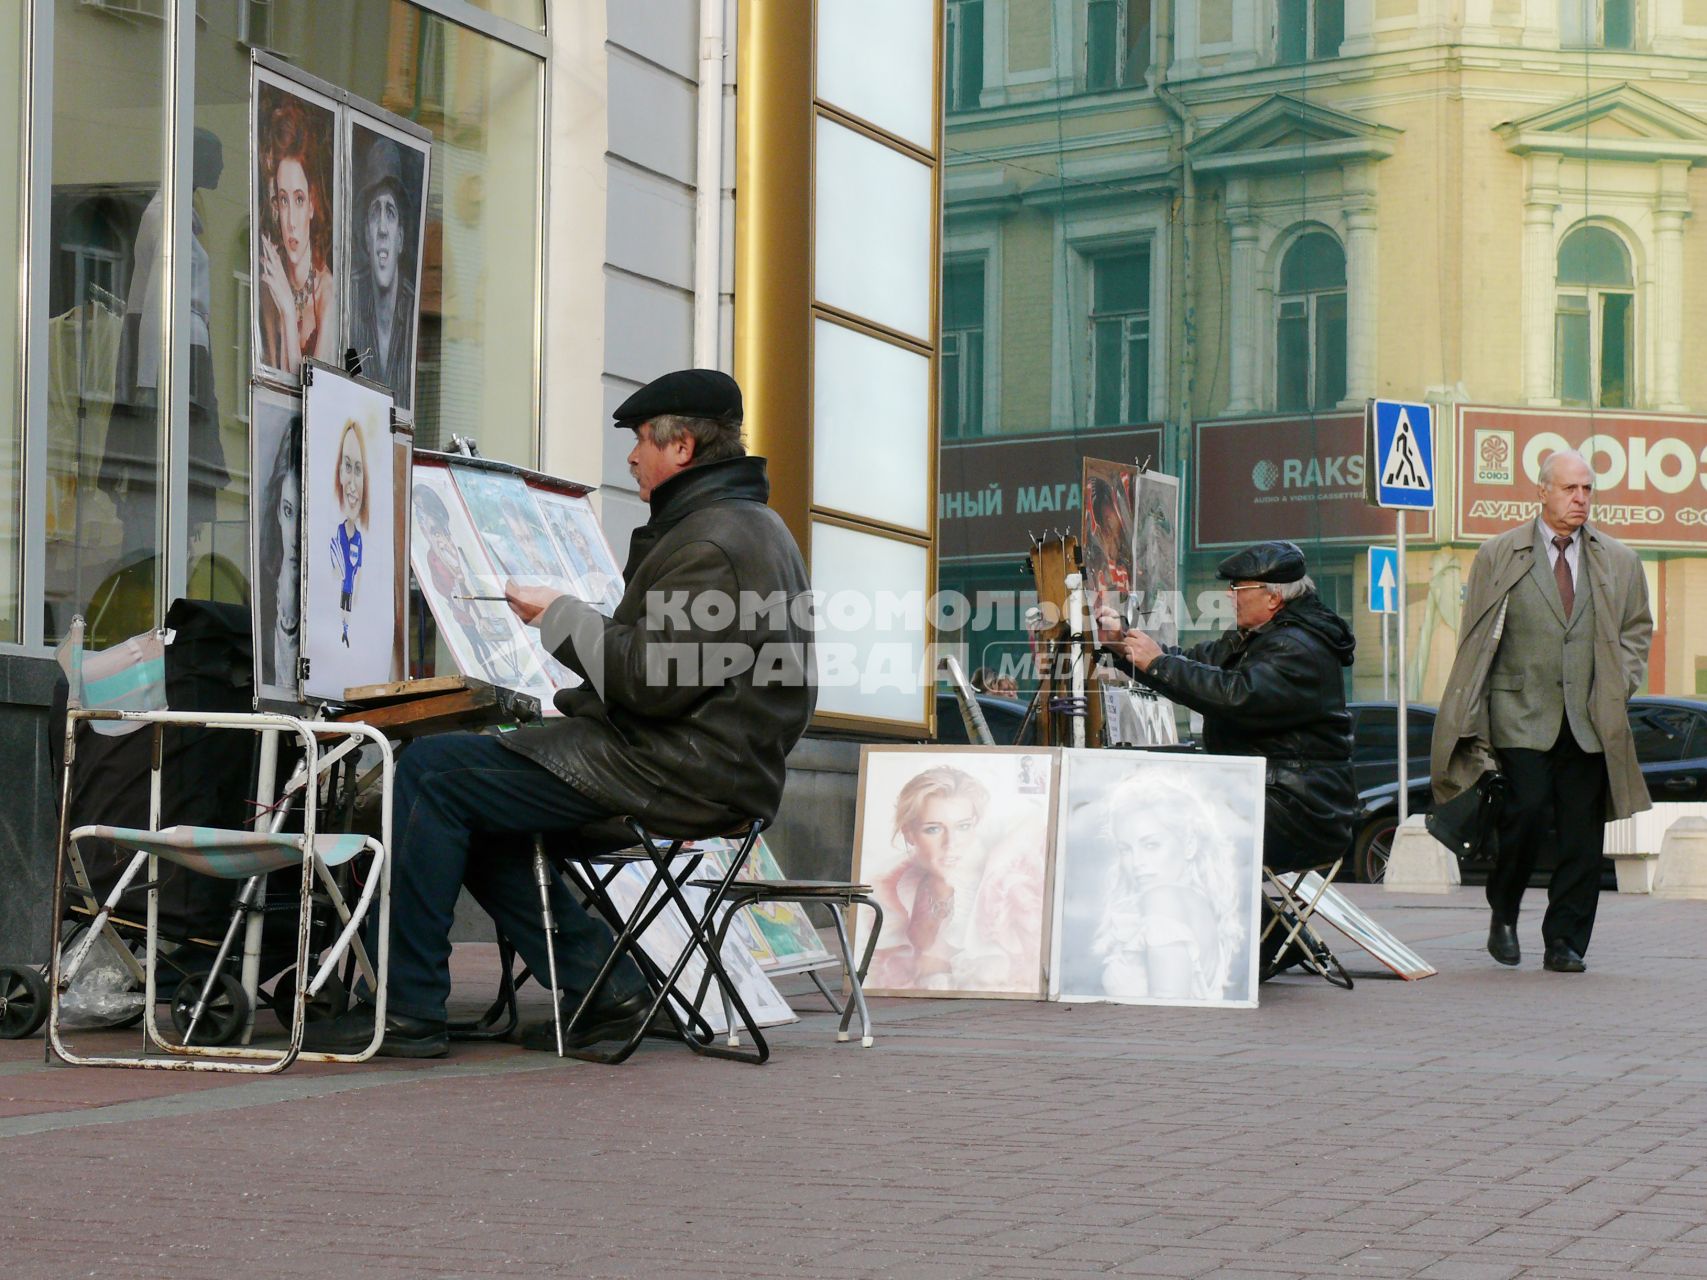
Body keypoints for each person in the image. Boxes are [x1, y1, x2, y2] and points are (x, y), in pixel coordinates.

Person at [305, 368, 815, 1057]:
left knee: (429, 772)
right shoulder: (751, 529)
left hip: (674, 769)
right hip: (701, 763)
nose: (632, 456)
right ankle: (607, 990)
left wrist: (561, 615)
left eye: (641, 441)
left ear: (683, 448)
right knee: (471, 801)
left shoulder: (711, 541)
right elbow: (689, 667)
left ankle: (406, 1010)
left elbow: (653, 681)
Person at [1431, 449, 1651, 974]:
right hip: (1519, 712)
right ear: (1542, 491)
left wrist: (1619, 684)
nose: (1580, 499)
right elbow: (1477, 639)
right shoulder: (1498, 553)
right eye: (1570, 489)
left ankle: (1565, 942)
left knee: (1581, 835)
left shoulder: (1618, 559)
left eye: (1587, 490)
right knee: (1524, 815)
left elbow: (1637, 630)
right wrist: (1474, 714)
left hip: (1590, 718)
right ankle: (1503, 913)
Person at [1101, 540, 1358, 880]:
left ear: (1272, 597)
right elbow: (1193, 665)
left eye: (1238, 587)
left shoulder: (1296, 647)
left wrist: (1158, 664)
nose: (1229, 595)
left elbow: (1237, 696)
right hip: (1270, 795)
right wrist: (1125, 647)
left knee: (1172, 836)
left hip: (1299, 809)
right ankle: (1262, 932)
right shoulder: (1258, 638)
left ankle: (1256, 933)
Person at [1086, 768, 1244, 1001]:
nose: (1137, 862)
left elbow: (1167, 1005)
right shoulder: (1197, 902)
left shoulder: (1162, 899)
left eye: (1151, 845)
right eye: (1125, 849)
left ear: (1189, 844)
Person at [257, 95, 336, 377]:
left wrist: (289, 314)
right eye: (284, 200)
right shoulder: (271, 285)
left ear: (313, 204)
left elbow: (307, 399)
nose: (291, 222)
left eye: (299, 199)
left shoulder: (327, 295)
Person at [347, 136, 417, 406]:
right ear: (366, 235)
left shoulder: (412, 311)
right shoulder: (349, 302)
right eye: (375, 213)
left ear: (400, 238)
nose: (382, 229)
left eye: (391, 212)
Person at [255, 413, 302, 691]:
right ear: (278, 512)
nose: (295, 533)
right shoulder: (262, 597)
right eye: (288, 510)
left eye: (303, 514)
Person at [327, 420, 367, 649]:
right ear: (340, 472)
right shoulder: (337, 532)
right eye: (348, 466)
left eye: (359, 469)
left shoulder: (361, 538)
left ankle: (346, 631)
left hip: (350, 591)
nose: (352, 483)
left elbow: (358, 569)